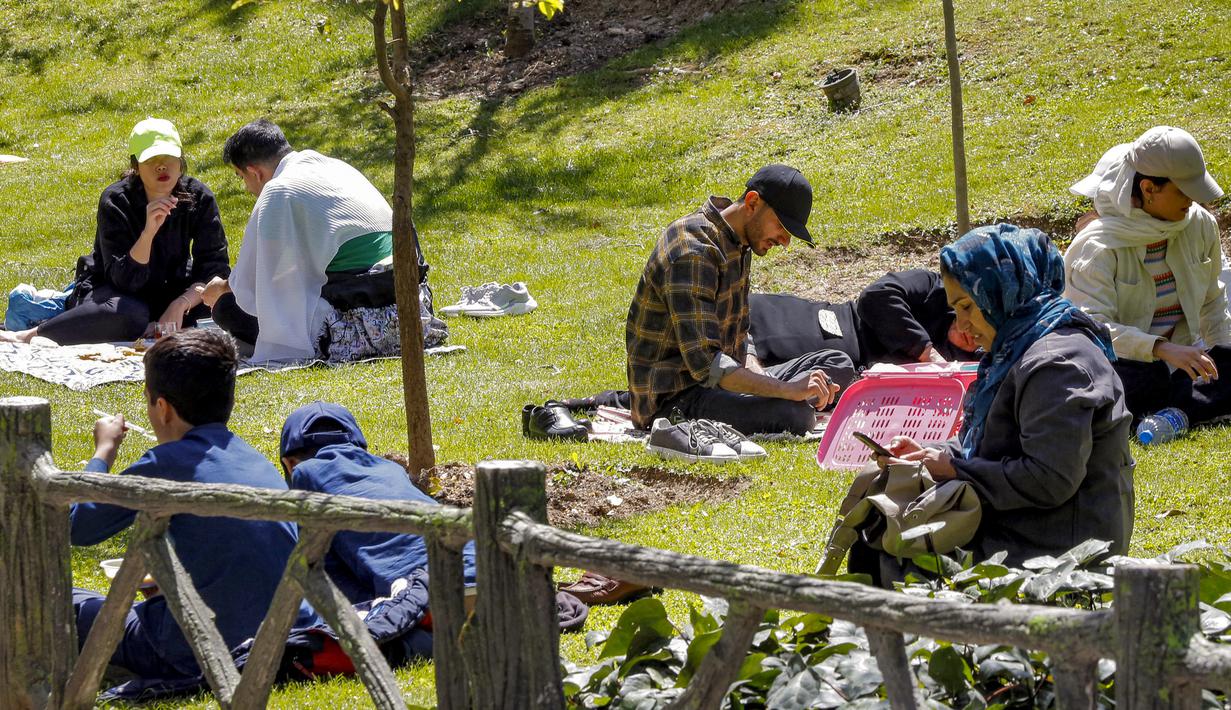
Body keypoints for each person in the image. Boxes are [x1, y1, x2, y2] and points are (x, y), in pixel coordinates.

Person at [856, 224, 1134, 583]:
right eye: (956, 309)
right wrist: (927, 453)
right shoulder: (1018, 347)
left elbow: (1050, 479)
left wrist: (954, 469)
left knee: (892, 559)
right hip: (1024, 527)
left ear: (1002, 289)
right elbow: (987, 442)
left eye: (968, 306)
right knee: (876, 530)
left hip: (1060, 552)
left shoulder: (1056, 363)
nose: (963, 324)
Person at [69, 330, 319, 683]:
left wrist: (103, 453)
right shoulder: (253, 458)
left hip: (198, 648)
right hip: (287, 637)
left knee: (61, 598)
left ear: (162, 408)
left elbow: (78, 525)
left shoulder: (167, 463)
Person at [625, 164, 856, 436]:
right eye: (781, 226)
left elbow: (740, 336)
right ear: (752, 202)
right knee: (797, 416)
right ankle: (780, 402)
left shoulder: (740, 242)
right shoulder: (693, 252)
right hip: (676, 400)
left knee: (838, 364)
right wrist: (787, 391)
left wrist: (765, 378)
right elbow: (709, 365)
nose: (784, 242)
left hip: (720, 383)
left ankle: (775, 400)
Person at [197, 119, 433, 362]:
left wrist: (221, 290)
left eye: (241, 177)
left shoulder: (279, 190)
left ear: (254, 172)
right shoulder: (337, 167)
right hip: (407, 302)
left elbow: (252, 282)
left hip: (353, 311)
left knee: (226, 307)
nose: (247, 188)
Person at [1, 118, 228, 345]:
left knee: (227, 304)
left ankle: (157, 323)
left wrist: (180, 304)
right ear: (136, 166)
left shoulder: (199, 198)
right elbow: (124, 280)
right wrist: (148, 233)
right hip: (115, 292)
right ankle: (30, 335)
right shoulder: (116, 200)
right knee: (129, 314)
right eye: (151, 159)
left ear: (180, 162)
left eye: (169, 157)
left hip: (173, 290)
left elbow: (214, 269)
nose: (161, 166)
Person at [1064, 126, 1231, 425]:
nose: (1192, 201)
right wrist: (1160, 348)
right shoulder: (1098, 245)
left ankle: (1180, 409)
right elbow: (1092, 328)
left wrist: (1224, 363)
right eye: (1182, 191)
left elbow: (1213, 303)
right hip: (1126, 369)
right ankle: (1186, 409)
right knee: (1123, 383)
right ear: (1149, 189)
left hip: (1183, 366)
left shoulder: (1200, 225)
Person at [748, 269, 980, 369]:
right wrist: (925, 351)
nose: (971, 332)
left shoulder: (979, 363)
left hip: (844, 375)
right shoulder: (936, 290)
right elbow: (876, 296)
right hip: (838, 327)